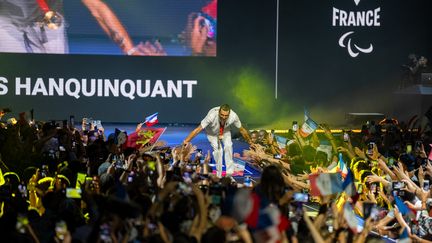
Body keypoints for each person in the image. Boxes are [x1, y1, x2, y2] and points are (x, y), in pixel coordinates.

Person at [0, 0, 164, 55]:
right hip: (7, 20)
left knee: (55, 80)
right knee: (18, 74)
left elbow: (97, 8)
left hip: (49, 20)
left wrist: (130, 50)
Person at [183, 104, 252, 177]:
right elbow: (197, 130)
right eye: (222, 115)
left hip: (225, 131)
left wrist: (249, 141)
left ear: (229, 113)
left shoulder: (233, 116)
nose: (224, 117)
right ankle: (219, 174)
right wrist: (186, 141)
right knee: (219, 151)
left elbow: (242, 130)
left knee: (228, 146)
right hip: (212, 133)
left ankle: (229, 173)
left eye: (226, 115)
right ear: (219, 112)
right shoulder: (211, 116)